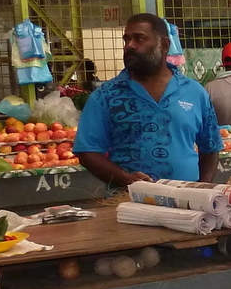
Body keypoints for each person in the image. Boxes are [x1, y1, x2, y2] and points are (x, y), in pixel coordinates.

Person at [74, 13, 222, 188]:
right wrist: (125, 178)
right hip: (129, 202)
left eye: (139, 39)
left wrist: (202, 188)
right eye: (126, 40)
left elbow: (210, 147)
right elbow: (87, 151)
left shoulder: (194, 92)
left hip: (186, 203)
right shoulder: (106, 96)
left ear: (165, 45)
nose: (130, 46)